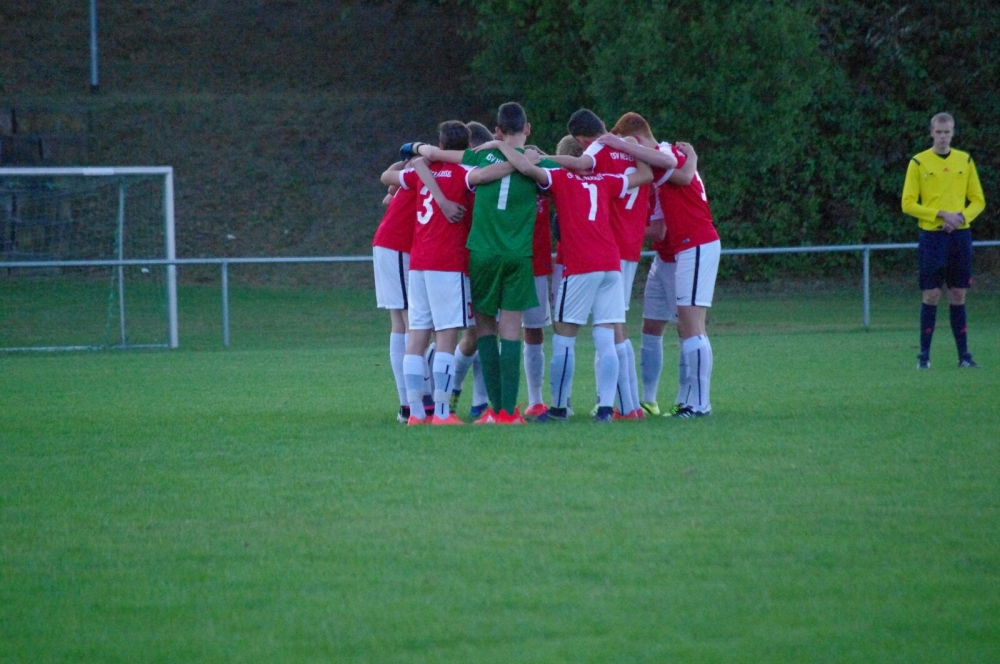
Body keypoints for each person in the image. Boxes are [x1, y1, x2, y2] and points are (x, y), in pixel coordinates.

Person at [478, 137, 652, 423]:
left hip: (581, 264)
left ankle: (559, 409)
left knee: (564, 338)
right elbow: (645, 174)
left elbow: (526, 167)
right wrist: (632, 146)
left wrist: (501, 145)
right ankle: (605, 409)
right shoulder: (605, 180)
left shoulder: (560, 178)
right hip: (611, 264)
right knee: (605, 336)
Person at [413, 102, 559, 424]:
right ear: (528, 128)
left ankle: (493, 409)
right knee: (512, 331)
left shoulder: (479, 157)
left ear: (497, 131)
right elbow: (570, 172)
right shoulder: (540, 163)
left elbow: (433, 155)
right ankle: (509, 412)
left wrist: (416, 147)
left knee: (484, 329)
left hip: (481, 254)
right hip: (518, 256)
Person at [384, 121, 515, 425]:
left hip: (418, 261)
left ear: (441, 145)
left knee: (417, 335)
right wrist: (519, 162)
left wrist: (420, 160)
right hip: (447, 262)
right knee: (446, 334)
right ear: (467, 147)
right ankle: (442, 412)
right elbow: (487, 174)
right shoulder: (463, 172)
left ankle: (416, 413)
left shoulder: (423, 173)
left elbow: (387, 177)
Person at [550, 109, 676, 419]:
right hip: (630, 246)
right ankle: (627, 404)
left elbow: (580, 165)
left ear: (581, 138)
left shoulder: (597, 149)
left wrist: (540, 159)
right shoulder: (631, 149)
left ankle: (625, 406)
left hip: (605, 244)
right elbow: (654, 170)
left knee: (609, 330)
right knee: (615, 326)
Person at [599, 125, 720, 418]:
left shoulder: (664, 153)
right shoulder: (666, 161)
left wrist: (620, 143)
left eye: (628, 144)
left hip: (695, 243)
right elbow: (683, 175)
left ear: (638, 139)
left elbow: (679, 172)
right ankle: (664, 401)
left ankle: (698, 404)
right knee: (666, 326)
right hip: (675, 251)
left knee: (692, 326)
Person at [373, 153, 465, 423]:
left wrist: (407, 162)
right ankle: (411, 404)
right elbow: (390, 187)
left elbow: (388, 189)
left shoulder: (422, 175)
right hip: (398, 245)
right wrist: (412, 162)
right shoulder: (438, 175)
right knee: (408, 323)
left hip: (396, 246)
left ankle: (414, 402)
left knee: (406, 324)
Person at [901, 112, 986, 369]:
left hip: (959, 235)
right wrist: (940, 215)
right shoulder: (918, 162)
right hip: (932, 236)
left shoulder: (964, 160)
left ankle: (964, 356)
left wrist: (960, 218)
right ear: (931, 133)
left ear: (953, 133)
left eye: (947, 132)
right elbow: (908, 204)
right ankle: (924, 357)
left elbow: (978, 200)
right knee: (931, 294)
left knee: (958, 293)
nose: (942, 137)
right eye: (938, 132)